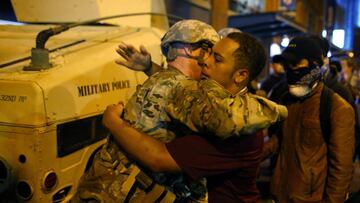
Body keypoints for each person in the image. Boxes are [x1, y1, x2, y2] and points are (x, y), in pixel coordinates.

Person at [73, 20, 286, 202]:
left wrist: (113, 123)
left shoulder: (238, 128)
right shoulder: (198, 91)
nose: (205, 60)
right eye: (206, 51)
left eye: (216, 57)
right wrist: (151, 68)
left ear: (240, 75)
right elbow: (177, 85)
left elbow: (158, 158)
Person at [263, 36, 355, 203]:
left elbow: (341, 168)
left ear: (315, 67)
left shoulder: (337, 107)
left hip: (311, 198)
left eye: (297, 65)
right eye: (287, 66)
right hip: (280, 193)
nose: (291, 71)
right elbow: (279, 140)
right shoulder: (287, 99)